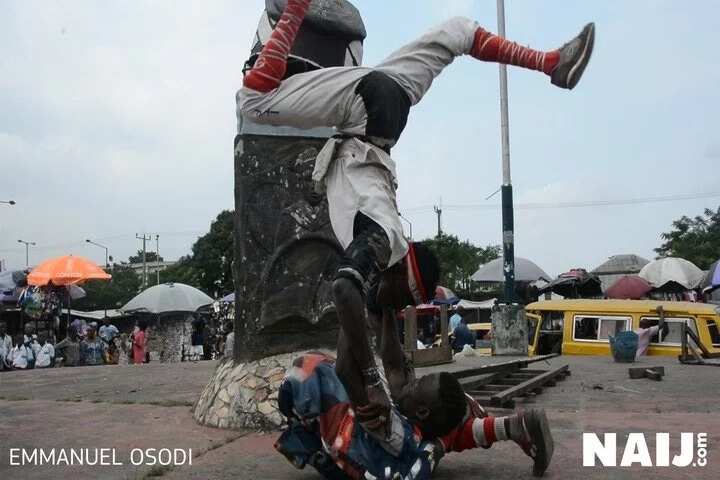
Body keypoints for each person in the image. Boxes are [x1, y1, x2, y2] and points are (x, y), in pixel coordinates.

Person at [238, 0, 594, 432]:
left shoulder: (381, 281)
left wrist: (369, 383)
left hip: (386, 104)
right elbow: (345, 290)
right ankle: (296, 6)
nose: (397, 308)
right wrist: (374, 384)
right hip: (364, 110)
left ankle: (552, 64)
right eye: (403, 299)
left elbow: (366, 325)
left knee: (458, 32)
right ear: (400, 275)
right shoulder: (385, 236)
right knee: (254, 98)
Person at [276, 302, 554, 478]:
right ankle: (511, 426)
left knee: (311, 368)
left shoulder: (395, 429)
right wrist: (384, 308)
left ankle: (502, 429)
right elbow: (393, 360)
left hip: (384, 456)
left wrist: (354, 303)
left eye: (418, 385)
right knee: (459, 413)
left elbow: (345, 370)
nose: (412, 383)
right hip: (434, 430)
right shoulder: (416, 404)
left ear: (420, 410)